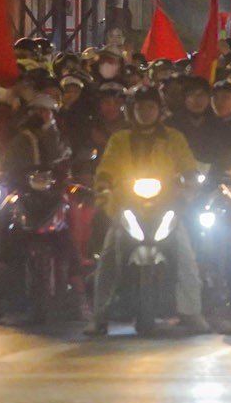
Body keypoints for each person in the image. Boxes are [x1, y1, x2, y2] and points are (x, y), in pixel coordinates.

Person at [87, 90, 204, 335]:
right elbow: (107, 165)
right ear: (133, 111)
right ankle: (99, 316)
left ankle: (192, 312)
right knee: (109, 256)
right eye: (140, 108)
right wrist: (104, 182)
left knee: (185, 256)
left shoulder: (174, 138)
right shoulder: (120, 139)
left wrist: (189, 180)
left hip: (167, 205)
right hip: (126, 205)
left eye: (151, 108)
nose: (146, 112)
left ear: (159, 111)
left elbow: (187, 165)